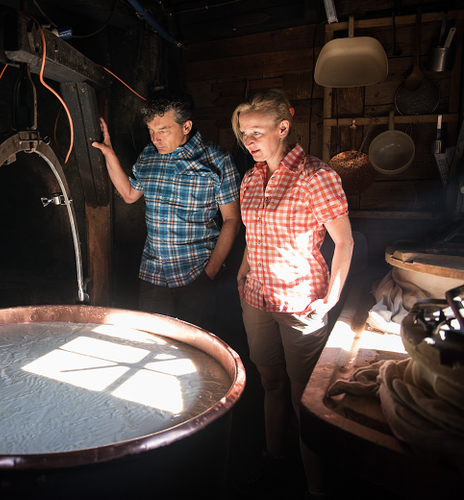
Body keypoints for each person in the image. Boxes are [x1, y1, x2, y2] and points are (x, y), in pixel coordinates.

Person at [232, 89, 354, 499]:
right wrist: (244, 270)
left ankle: (317, 487)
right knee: (270, 382)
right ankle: (274, 457)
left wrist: (331, 298)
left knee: (306, 400)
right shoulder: (251, 176)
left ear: (283, 128)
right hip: (258, 298)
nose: (249, 140)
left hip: (302, 302)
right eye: (243, 132)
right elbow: (254, 232)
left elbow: (345, 242)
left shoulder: (316, 176)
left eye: (257, 131)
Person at [92, 89, 241, 335]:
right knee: (153, 342)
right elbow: (130, 195)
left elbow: (232, 220)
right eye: (151, 130)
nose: (155, 138)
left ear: (186, 126)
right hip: (154, 274)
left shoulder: (217, 160)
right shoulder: (149, 156)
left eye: (163, 130)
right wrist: (109, 154)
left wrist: (209, 273)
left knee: (197, 346)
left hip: (196, 272)